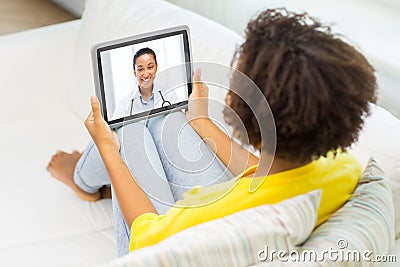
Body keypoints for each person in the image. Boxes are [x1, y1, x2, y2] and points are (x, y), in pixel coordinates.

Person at [47, 8, 377, 257]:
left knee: (131, 129)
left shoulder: (216, 221)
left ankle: (83, 179)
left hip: (159, 248)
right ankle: (94, 178)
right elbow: (270, 172)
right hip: (232, 200)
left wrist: (109, 151)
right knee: (168, 120)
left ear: (244, 111)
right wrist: (202, 122)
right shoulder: (344, 168)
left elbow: (146, 237)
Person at [111, 47, 178, 120]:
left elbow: (178, 120)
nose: (146, 74)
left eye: (150, 67)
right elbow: (114, 128)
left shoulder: (168, 94)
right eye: (140, 69)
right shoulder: (125, 102)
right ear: (134, 73)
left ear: (156, 67)